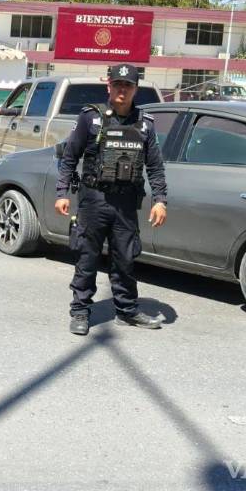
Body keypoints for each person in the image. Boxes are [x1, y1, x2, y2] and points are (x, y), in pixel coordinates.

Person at [55, 63, 168, 334]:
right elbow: (70, 157)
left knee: (125, 260)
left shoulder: (145, 124)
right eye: (117, 84)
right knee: (87, 257)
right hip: (93, 200)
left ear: (135, 89)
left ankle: (127, 311)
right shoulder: (90, 118)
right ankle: (81, 312)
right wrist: (62, 193)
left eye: (127, 86)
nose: (122, 90)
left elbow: (155, 166)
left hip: (126, 203)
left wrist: (160, 200)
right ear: (109, 85)